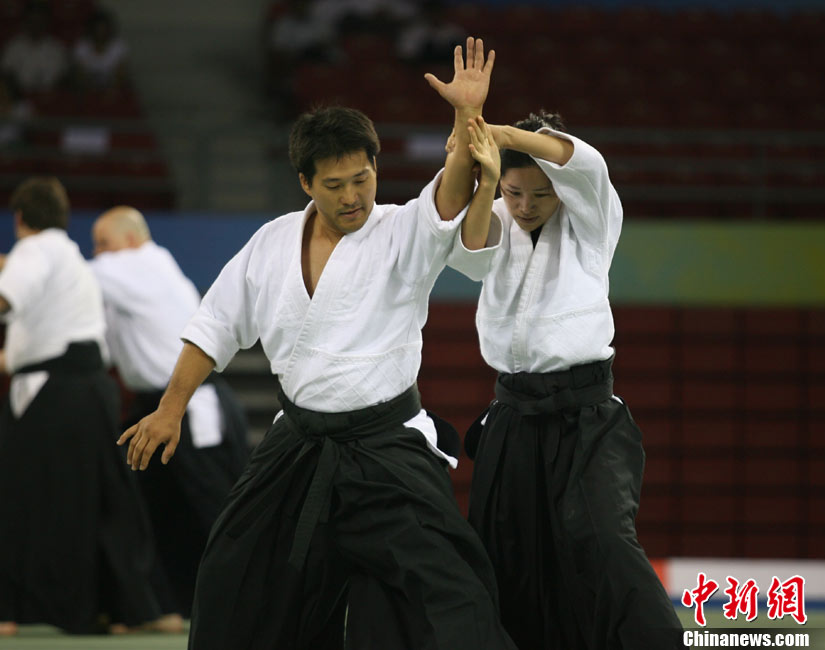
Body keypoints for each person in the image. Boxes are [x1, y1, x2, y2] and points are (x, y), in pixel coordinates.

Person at [119, 39, 516, 649]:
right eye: (335, 185)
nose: (353, 196)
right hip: (299, 443)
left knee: (450, 591)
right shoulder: (271, 242)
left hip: (388, 448)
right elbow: (215, 325)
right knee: (233, 576)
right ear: (306, 182)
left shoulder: (402, 230)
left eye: (363, 178)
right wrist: (170, 408)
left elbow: (452, 192)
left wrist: (467, 115)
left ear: (376, 169)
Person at [446, 110, 685, 648]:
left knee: (604, 541)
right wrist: (484, 174)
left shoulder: (589, 221)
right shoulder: (495, 217)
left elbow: (588, 165)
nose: (526, 206)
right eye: (514, 192)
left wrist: (504, 135)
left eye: (542, 194)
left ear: (562, 189)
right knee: (505, 558)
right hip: (512, 415)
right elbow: (468, 258)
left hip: (585, 414)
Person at [0, 177, 162, 636]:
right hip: (87, 390)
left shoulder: (36, 249)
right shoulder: (68, 258)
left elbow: (9, 290)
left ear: (19, 219)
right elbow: (33, 351)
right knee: (91, 502)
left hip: (57, 394)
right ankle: (113, 609)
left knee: (7, 498)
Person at [89, 206, 250, 619]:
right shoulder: (131, 282)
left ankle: (255, 601)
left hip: (187, 406)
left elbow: (71, 275)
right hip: (153, 405)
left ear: (131, 240)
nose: (98, 253)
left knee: (215, 510)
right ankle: (164, 606)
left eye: (104, 244)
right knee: (152, 508)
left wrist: (7, 264)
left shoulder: (144, 264)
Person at [0, 0, 67, 95]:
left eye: (39, 21)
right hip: (19, 98)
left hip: (50, 98)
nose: (36, 25)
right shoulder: (13, 47)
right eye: (33, 21)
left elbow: (63, 80)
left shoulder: (57, 49)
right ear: (26, 21)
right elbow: (4, 75)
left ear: (46, 22)